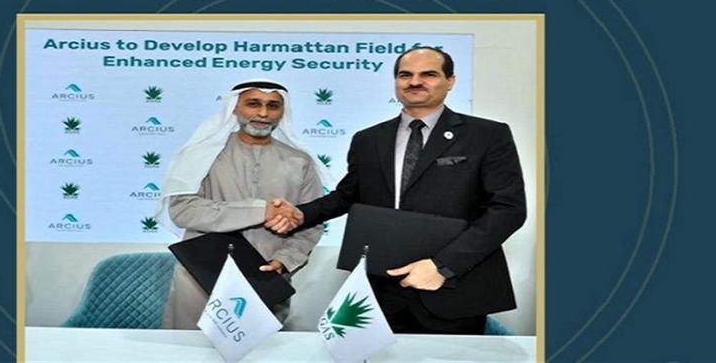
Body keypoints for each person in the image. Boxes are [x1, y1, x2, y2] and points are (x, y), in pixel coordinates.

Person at [267, 47, 526, 334]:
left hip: (453, 286)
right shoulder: (368, 139)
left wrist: (442, 266)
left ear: (450, 81)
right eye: (405, 75)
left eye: (428, 74)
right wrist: (301, 214)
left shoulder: (487, 135)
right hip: (383, 289)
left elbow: (508, 209)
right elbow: (348, 195)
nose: (415, 82)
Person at [157, 79, 329, 329]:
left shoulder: (299, 161)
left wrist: (285, 260)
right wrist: (261, 210)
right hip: (202, 275)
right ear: (234, 107)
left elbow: (310, 223)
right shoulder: (202, 154)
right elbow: (183, 210)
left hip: (266, 275)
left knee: (260, 347)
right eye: (253, 104)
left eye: (272, 106)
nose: (263, 113)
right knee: (191, 346)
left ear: (283, 112)